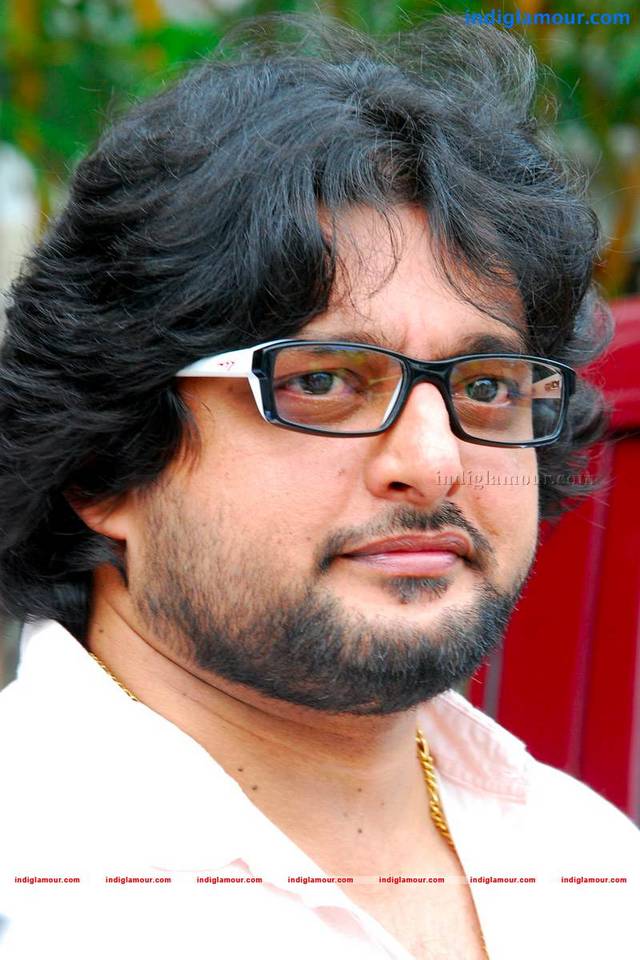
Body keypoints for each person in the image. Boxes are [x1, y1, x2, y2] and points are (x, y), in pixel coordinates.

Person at [0, 14, 637, 960]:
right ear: (104, 462)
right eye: (326, 381)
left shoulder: (592, 867)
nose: (435, 461)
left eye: (487, 388)